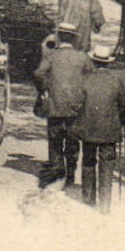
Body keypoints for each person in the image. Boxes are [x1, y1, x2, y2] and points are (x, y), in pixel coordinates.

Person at [71, 42, 125, 210]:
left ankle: (88, 197)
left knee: (88, 160)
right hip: (109, 131)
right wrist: (123, 122)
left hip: (88, 129)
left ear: (93, 61)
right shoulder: (117, 81)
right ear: (108, 62)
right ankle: (105, 203)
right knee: (107, 164)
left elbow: (76, 105)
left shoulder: (85, 79)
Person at [34, 22, 88, 189]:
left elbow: (39, 73)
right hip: (76, 106)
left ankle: (57, 173)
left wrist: (45, 89)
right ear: (73, 38)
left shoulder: (51, 56)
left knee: (55, 139)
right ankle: (71, 174)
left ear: (58, 37)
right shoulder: (82, 57)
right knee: (73, 140)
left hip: (55, 105)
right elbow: (91, 76)